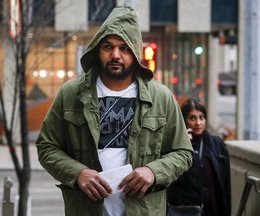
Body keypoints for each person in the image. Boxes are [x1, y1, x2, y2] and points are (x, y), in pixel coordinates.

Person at [36, 3, 193, 216]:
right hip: (86, 210)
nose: (116, 55)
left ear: (135, 52)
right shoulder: (71, 94)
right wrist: (78, 173)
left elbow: (183, 152)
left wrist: (153, 172)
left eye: (124, 48)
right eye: (108, 46)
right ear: (98, 50)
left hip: (143, 210)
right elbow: (47, 147)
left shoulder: (161, 97)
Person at [167, 98, 231, 216]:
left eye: (201, 117)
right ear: (184, 120)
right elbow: (172, 181)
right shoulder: (175, 144)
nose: (198, 123)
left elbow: (225, 185)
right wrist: (183, 143)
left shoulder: (217, 145)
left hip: (212, 210)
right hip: (186, 211)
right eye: (192, 118)